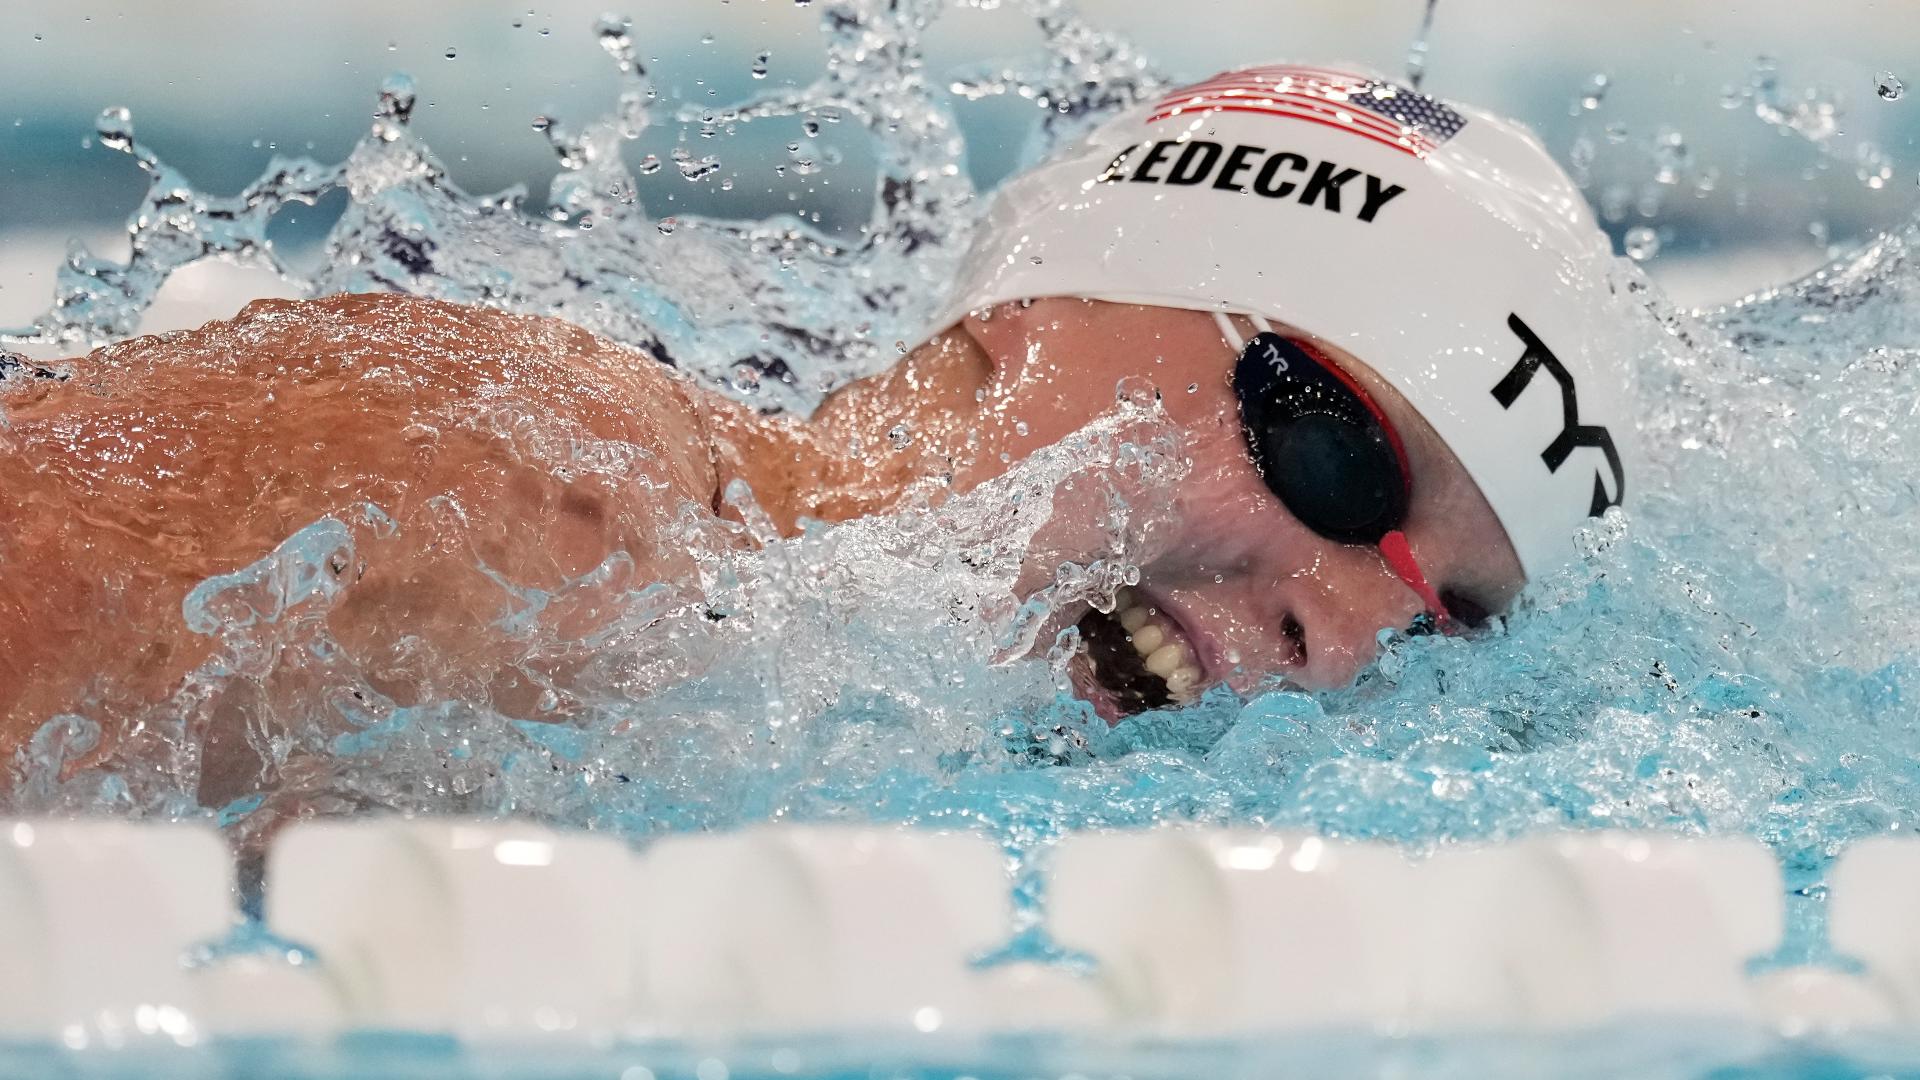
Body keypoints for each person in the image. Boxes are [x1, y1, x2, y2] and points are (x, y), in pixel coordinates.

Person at [0, 62, 1632, 772]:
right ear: (1045, 302)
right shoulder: (547, 494)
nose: (1341, 640)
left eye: (1443, 622)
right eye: (1337, 454)